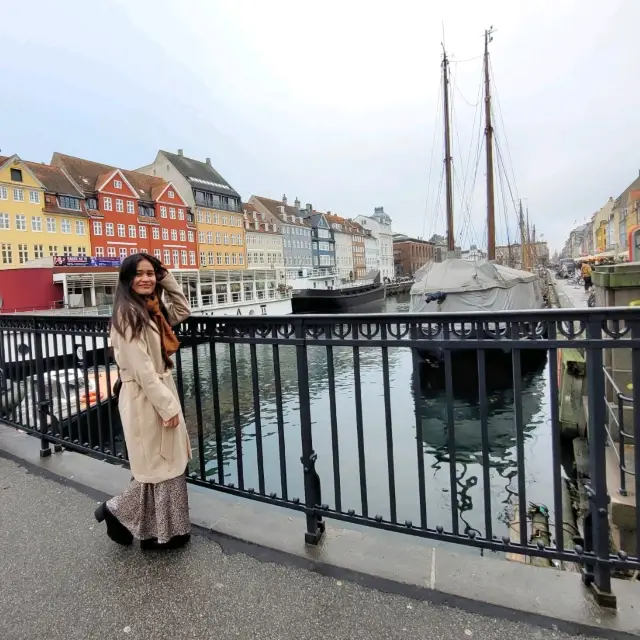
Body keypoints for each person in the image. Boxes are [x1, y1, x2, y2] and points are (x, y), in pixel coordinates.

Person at [94, 253, 192, 550]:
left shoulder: (152, 310)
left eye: (151, 273)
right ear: (127, 279)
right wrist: (167, 406)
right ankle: (120, 513)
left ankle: (160, 532)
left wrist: (167, 278)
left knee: (164, 464)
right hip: (145, 397)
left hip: (156, 391)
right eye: (139, 274)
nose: (146, 278)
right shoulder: (128, 315)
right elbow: (142, 367)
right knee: (158, 465)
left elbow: (183, 310)